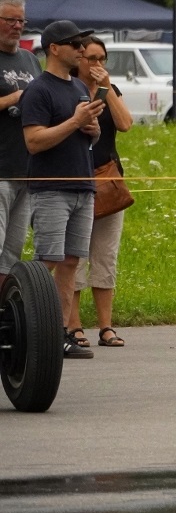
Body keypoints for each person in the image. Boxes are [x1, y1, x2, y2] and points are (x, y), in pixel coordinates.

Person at [19, 20, 103, 359]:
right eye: (74, 43)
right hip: (51, 188)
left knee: (70, 263)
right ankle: (32, 330)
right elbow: (34, 141)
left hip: (83, 186)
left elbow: (86, 135)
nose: (82, 49)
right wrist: (75, 122)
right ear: (54, 48)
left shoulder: (79, 89)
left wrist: (92, 129)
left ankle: (60, 332)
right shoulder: (38, 90)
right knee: (47, 262)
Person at [67, 37, 132, 348]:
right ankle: (73, 324)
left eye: (102, 58)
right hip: (72, 180)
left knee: (105, 256)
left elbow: (125, 124)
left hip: (106, 179)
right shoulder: (65, 89)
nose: (97, 65)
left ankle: (106, 326)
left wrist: (107, 88)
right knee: (74, 256)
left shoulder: (109, 89)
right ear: (77, 59)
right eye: (91, 58)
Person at [0, 0, 40, 290]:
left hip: (27, 169)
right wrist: (15, 98)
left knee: (12, 253)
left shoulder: (30, 60)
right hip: (0, 170)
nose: (17, 26)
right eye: (9, 20)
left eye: (20, 20)